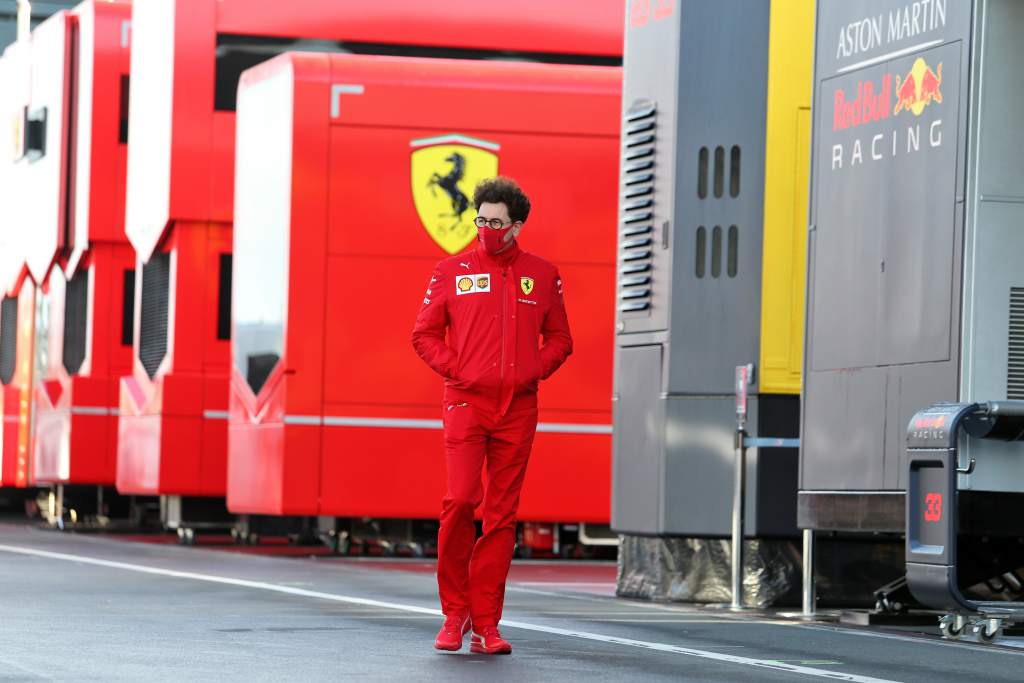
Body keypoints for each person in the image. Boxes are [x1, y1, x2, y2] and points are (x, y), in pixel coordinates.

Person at [411, 176, 572, 655]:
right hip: (465, 404)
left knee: (502, 518)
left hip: (518, 409)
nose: (485, 229)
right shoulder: (452, 270)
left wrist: (530, 373)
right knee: (460, 501)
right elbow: (423, 335)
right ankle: (454, 613)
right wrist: (457, 369)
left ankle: (486, 624)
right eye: (480, 219)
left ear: (516, 226)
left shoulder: (542, 275)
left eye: (495, 222)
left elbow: (562, 339)